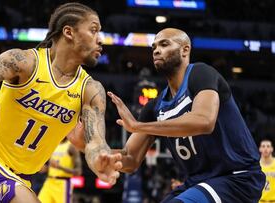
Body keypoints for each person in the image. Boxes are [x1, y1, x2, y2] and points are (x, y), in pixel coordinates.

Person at [0, 2, 122, 202]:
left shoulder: (91, 90)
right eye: (94, 30)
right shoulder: (24, 63)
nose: (100, 39)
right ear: (69, 32)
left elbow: (96, 141)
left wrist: (99, 159)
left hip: (22, 178)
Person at [107, 28, 265, 203]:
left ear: (185, 50)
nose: (156, 50)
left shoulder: (201, 74)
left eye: (164, 44)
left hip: (237, 178)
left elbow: (204, 121)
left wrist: (138, 126)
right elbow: (130, 158)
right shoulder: (154, 107)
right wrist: (96, 151)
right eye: (154, 47)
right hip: (199, 182)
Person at [38, 138, 82, 203]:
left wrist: (59, 167)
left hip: (63, 184)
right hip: (49, 181)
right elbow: (53, 167)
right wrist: (46, 169)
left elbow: (78, 172)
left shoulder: (71, 147)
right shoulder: (54, 145)